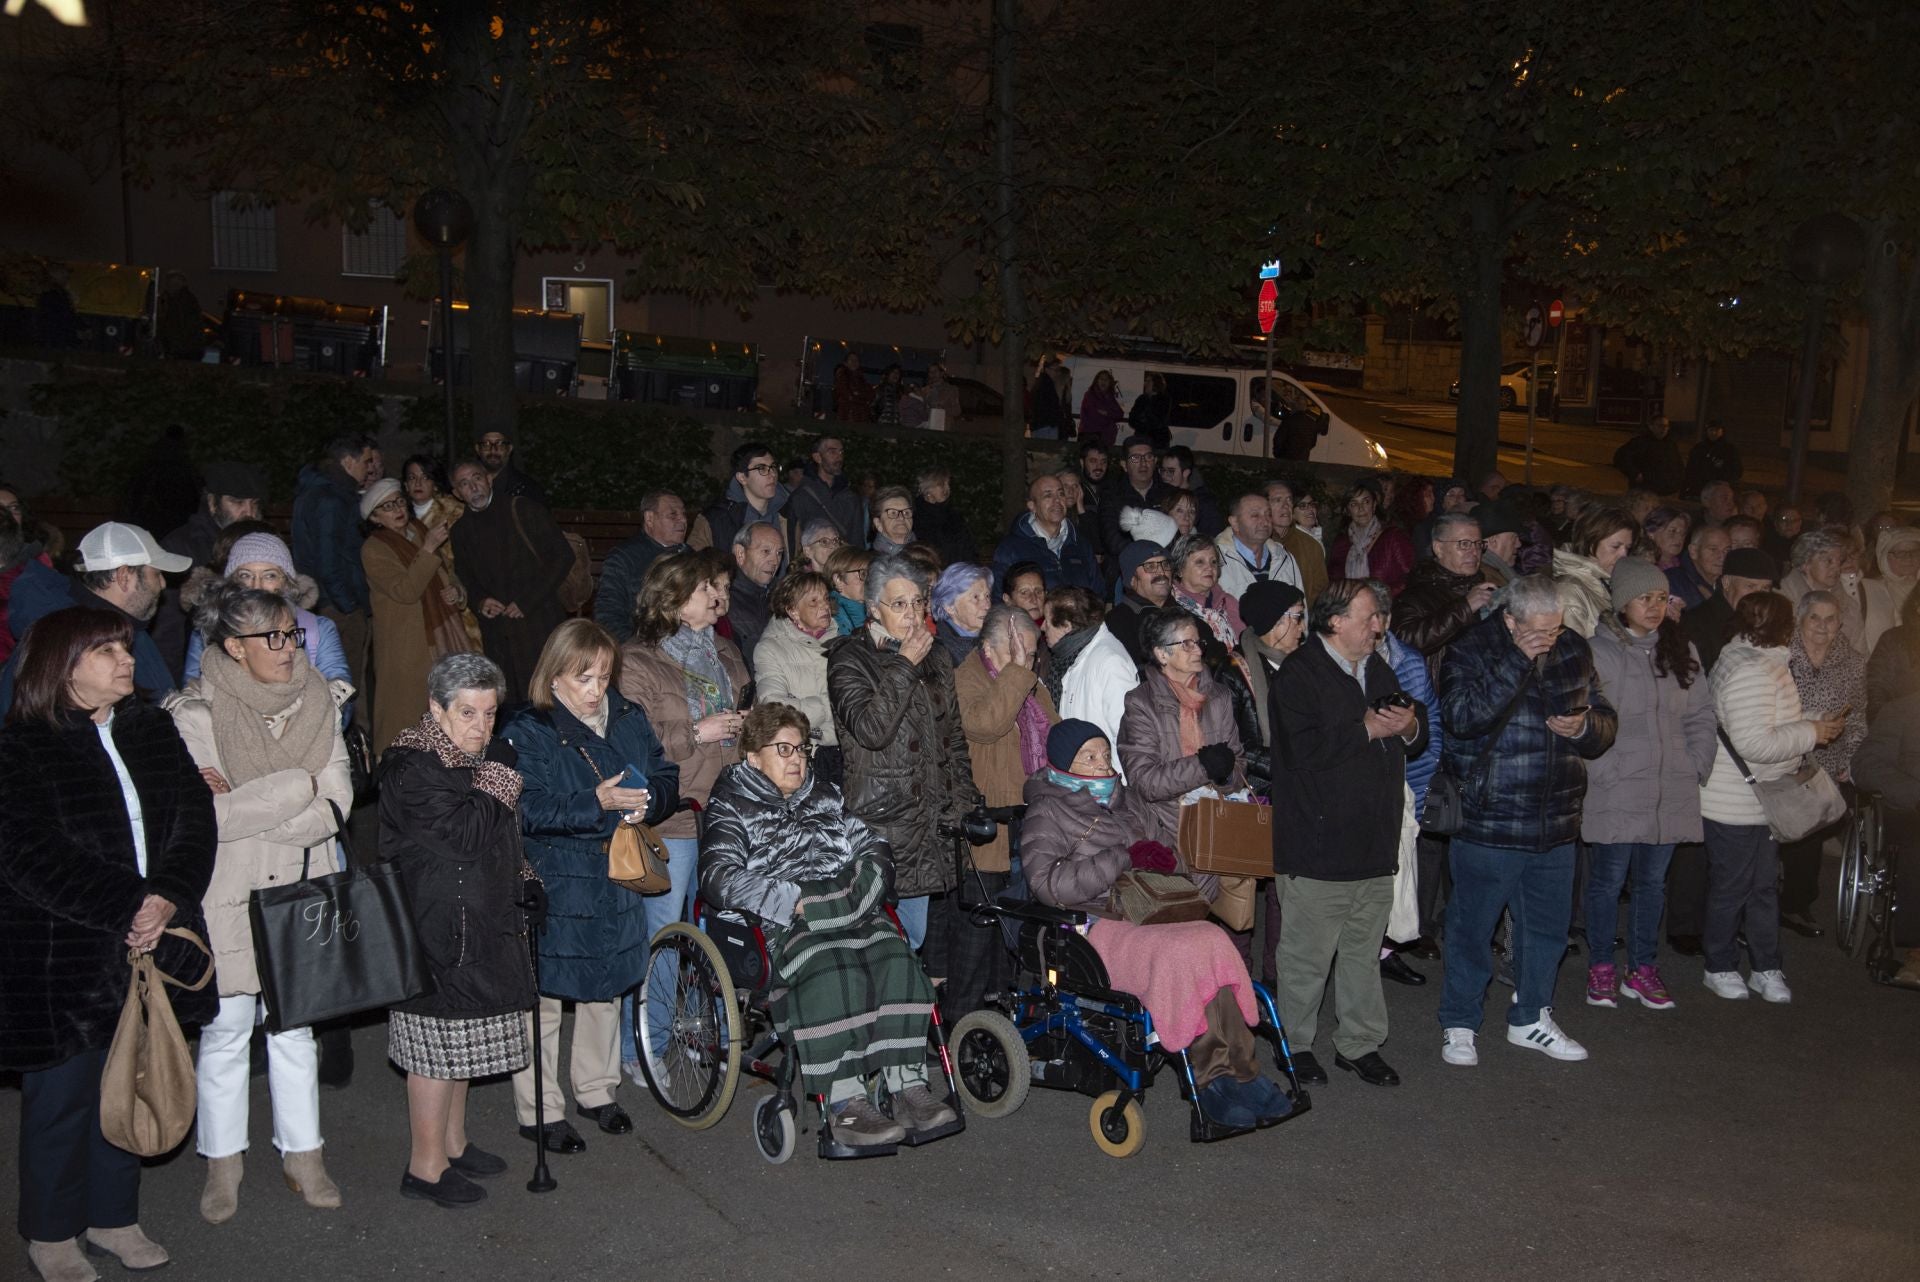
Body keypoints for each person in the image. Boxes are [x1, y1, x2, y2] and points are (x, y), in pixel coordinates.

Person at [0, 608, 216, 1279]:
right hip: (60, 954)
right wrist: (129, 903)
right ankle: (51, 1232)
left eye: (125, 646)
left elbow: (193, 820)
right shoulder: (22, 746)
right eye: (106, 651)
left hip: (147, 943)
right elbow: (27, 854)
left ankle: (115, 1217)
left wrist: (166, 895)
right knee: (63, 1097)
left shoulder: (152, 728)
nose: (126, 659)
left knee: (134, 1078)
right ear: (62, 664)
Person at [166, 584, 351, 1222]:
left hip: (301, 883)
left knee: (296, 1028)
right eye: (271, 638)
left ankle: (305, 1154)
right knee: (225, 1031)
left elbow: (337, 802)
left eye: (291, 634)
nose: (287, 647)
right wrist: (297, 786)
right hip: (230, 891)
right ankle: (223, 1163)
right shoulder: (193, 715)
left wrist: (274, 802)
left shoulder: (320, 698)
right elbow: (207, 817)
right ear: (231, 648)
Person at [700, 701, 958, 1144]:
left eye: (801, 749)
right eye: (783, 749)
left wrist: (868, 878)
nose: (796, 758)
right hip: (782, 920)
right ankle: (846, 1102)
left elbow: (869, 842)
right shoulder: (731, 805)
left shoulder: (825, 796)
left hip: (847, 905)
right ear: (751, 755)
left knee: (896, 956)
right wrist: (790, 899)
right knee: (832, 966)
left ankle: (907, 1086)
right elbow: (717, 878)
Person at [1022, 722, 1292, 1128]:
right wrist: (1121, 858)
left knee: (1212, 940)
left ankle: (1242, 1069)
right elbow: (1048, 886)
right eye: (1089, 758)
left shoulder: (1126, 800)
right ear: (1062, 763)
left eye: (1104, 755)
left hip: (1149, 910)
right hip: (1093, 922)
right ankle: (1209, 1080)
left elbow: (1168, 853)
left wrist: (1166, 860)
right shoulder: (1047, 808)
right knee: (1178, 954)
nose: (1101, 765)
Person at [502, 621, 678, 1155]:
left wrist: (651, 802)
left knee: (606, 984)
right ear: (554, 677)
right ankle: (540, 1110)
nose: (597, 688)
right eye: (585, 677)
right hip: (558, 876)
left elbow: (666, 772)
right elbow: (522, 807)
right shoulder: (529, 730)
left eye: (604, 675)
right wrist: (593, 803)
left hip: (618, 871)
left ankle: (596, 1092)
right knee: (545, 995)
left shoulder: (627, 716)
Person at [1436, 575, 1618, 1068]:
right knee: (1472, 927)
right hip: (1490, 816)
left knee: (1547, 930)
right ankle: (1459, 1022)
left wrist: (1585, 727)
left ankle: (1532, 1016)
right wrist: (1517, 659)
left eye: (1556, 629)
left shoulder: (1573, 646)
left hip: (1557, 817)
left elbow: (1604, 720)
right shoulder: (1470, 648)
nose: (1549, 639)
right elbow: (1460, 717)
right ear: (1509, 618)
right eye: (1537, 630)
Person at [378, 652, 535, 1208]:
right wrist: (499, 779)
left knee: (460, 1042)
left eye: (490, 714)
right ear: (436, 710)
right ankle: (424, 1167)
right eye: (467, 713)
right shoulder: (411, 767)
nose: (482, 727)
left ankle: (454, 1143)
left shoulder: (479, 758)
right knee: (433, 1046)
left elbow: (495, 835)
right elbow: (464, 836)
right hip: (432, 929)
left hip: (474, 921)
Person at [1270, 580, 1426, 1086]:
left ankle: (1359, 1043)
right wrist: (1365, 730)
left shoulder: (1376, 668)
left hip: (1373, 842)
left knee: (1362, 955)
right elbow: (1300, 751)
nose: (1379, 626)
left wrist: (1408, 728)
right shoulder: (1300, 674)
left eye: (1380, 616)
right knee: (1306, 958)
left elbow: (1411, 731)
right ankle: (1294, 1044)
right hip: (1319, 845)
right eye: (1368, 617)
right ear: (1335, 621)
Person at [1579, 559, 1716, 1012]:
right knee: (1607, 879)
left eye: (1661, 597)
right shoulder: (1595, 652)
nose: (1655, 607)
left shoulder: (1681, 648)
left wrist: (1694, 763)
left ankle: (1642, 968)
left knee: (1652, 883)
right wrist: (1601, 769)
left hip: (1669, 785)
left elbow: (1700, 715)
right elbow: (1583, 718)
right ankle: (1602, 964)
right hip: (1617, 785)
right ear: (1622, 603)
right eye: (1644, 598)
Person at [827, 552, 976, 958]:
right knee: (882, 948)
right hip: (880, 824)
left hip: (929, 823)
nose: (912, 615)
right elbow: (871, 731)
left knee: (912, 940)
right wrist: (905, 664)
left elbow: (954, 739)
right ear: (873, 608)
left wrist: (963, 804)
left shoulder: (938, 656)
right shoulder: (848, 659)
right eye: (898, 604)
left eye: (918, 602)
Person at [1698, 593, 1842, 1005]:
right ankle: (1720, 965)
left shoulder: (1755, 659)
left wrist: (1808, 721)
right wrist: (1813, 733)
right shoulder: (1754, 668)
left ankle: (1765, 966)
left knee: (1761, 886)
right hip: (1736, 801)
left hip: (1756, 799)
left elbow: (1765, 721)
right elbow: (1754, 742)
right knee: (1733, 887)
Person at [618, 551, 749, 946]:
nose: (715, 594)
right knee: (664, 933)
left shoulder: (725, 651)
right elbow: (633, 743)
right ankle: (651, 1012)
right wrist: (696, 732)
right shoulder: (637, 661)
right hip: (674, 818)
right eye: (704, 587)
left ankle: (701, 1009)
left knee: (715, 934)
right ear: (673, 600)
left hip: (725, 811)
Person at [953, 605, 1056, 1000]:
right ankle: (963, 1019)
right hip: (988, 827)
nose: (1029, 662)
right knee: (979, 933)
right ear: (991, 648)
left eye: (1032, 654)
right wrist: (1016, 671)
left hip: (1029, 820)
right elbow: (986, 725)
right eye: (1021, 652)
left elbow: (1056, 732)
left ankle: (1004, 1017)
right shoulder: (966, 679)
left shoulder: (1028, 682)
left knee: (1018, 932)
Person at [0, 521, 188, 716]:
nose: (163, 584)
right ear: (124, 577)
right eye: (156, 574)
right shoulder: (62, 641)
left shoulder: (128, 630)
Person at [1116, 606, 1242, 862]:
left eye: (1198, 642)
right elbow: (1145, 782)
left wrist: (1225, 775)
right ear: (1162, 653)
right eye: (1186, 644)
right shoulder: (1141, 703)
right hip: (1167, 832)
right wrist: (1202, 766)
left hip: (1220, 827)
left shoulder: (1219, 697)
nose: (1198, 650)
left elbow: (1238, 764)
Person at [1778, 590, 1867, 937]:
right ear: (1800, 619)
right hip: (1781, 755)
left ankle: (1795, 904)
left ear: (1840, 624)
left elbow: (1857, 715)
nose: (1822, 625)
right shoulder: (1780, 654)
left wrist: (1850, 756)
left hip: (1825, 764)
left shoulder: (1853, 663)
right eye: (1814, 617)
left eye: (1830, 619)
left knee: (1808, 840)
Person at [358, 479, 470, 753]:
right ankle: (398, 777)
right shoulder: (375, 548)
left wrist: (456, 591)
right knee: (406, 716)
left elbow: (446, 572)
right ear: (375, 517)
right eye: (387, 506)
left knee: (450, 710)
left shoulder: (418, 530)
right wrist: (428, 549)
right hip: (406, 645)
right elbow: (406, 590)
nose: (397, 509)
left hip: (441, 636)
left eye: (398, 502)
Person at [447, 459, 573, 700]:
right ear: (457, 493)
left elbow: (562, 556)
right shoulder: (460, 530)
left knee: (550, 696)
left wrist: (527, 601)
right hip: (498, 635)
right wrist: (481, 601)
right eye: (464, 483)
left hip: (539, 623)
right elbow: (466, 575)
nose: (473, 487)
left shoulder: (523, 509)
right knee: (511, 704)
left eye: (476, 478)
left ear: (489, 479)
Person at [180, 529, 351, 693]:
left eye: (269, 576)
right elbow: (193, 690)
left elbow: (340, 693)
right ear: (231, 582)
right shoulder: (210, 629)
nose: (257, 586)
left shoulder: (317, 629)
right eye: (245, 575)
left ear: (287, 582)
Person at [292, 435, 377, 723]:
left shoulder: (323, 492)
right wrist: (349, 605)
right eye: (367, 461)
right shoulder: (331, 499)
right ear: (348, 461)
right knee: (344, 685)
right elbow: (329, 560)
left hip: (327, 602)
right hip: (337, 607)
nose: (371, 468)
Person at [155, 461, 267, 678]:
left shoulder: (264, 545)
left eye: (255, 503)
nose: (249, 513)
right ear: (212, 503)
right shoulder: (181, 548)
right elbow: (168, 633)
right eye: (237, 502)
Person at [753, 571, 842, 784]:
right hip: (806, 757)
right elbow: (776, 711)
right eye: (813, 601)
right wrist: (828, 706)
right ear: (793, 610)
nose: (824, 606)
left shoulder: (843, 642)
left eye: (825, 599)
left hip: (847, 753)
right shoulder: (770, 649)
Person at [1392, 513, 1498, 678]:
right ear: (1439, 548)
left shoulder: (1482, 585)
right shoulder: (1415, 595)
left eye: (1478, 544)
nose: (1474, 552)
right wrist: (1464, 608)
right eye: (1464, 544)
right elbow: (1402, 643)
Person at [1046, 586, 1136, 750]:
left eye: (1047, 621)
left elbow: (1130, 738)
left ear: (1066, 626)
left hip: (1105, 772)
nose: (1042, 627)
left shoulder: (1110, 662)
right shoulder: (1069, 658)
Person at [593, 492, 690, 643]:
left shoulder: (690, 556)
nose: (683, 520)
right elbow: (608, 614)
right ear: (649, 519)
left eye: (684, 513)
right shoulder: (624, 558)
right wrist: (638, 649)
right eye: (673, 515)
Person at [992, 472, 1103, 595]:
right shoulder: (1011, 549)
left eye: (1061, 494)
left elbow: (1098, 593)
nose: (1057, 500)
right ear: (1032, 505)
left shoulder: (1081, 545)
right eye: (1048, 496)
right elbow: (999, 599)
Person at [1683, 546, 1777, 675]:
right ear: (1726, 582)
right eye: (1750, 586)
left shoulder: (1765, 623)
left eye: (1765, 589)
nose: (1758, 596)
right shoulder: (1696, 624)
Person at [688, 443, 791, 558]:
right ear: (742, 478)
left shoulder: (788, 512)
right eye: (762, 468)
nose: (772, 474)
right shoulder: (716, 519)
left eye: (773, 467)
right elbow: (693, 566)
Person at [1552, 506, 1640, 639]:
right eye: (1616, 546)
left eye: (1627, 548)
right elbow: (1573, 653)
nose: (1623, 554)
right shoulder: (1569, 592)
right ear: (1591, 542)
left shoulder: (1609, 582)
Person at [1781, 529, 1866, 657]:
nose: (1836, 568)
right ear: (1805, 563)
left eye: (1839, 561)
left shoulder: (1849, 606)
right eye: (1828, 561)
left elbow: (1861, 656)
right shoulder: (1781, 601)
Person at [1329, 479, 1414, 594]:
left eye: (1366, 502)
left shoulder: (1393, 537)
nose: (1361, 508)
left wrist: (1379, 597)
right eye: (1354, 504)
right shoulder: (1341, 543)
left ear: (1374, 505)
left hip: (1386, 609)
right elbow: (1334, 583)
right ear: (1348, 511)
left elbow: (1410, 578)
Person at [1214, 492, 1303, 600]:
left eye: (1268, 515)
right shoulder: (1215, 560)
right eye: (1255, 515)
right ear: (1235, 522)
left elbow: (1301, 607)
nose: (1265, 521)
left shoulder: (1284, 557)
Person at [1100, 436, 1173, 562]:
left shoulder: (1170, 494)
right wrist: (1148, 554)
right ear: (1124, 465)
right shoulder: (1112, 496)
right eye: (1135, 458)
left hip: (1166, 563)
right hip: (1125, 566)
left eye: (1148, 457)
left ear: (1155, 461)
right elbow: (1112, 540)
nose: (1143, 463)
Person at [785, 435, 865, 550]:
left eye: (841, 452)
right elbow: (793, 540)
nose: (839, 457)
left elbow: (857, 539)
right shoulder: (802, 496)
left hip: (843, 564)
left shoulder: (850, 496)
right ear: (817, 457)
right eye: (832, 452)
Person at [1104, 540, 1173, 665]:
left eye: (1166, 564)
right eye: (1150, 567)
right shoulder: (1117, 623)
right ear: (1131, 579)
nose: (1162, 572)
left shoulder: (1184, 614)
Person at [1168, 533, 1242, 647]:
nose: (1209, 568)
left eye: (1213, 562)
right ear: (1180, 570)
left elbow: (1246, 642)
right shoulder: (1172, 605)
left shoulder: (1227, 601)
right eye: (1200, 562)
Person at [725, 523, 783, 666]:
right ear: (740, 554)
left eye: (779, 553)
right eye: (765, 551)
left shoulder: (785, 594)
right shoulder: (724, 599)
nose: (775, 561)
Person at [1267, 478, 1329, 604]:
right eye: (1278, 500)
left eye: (1289, 500)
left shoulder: (1311, 545)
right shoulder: (1255, 541)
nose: (1285, 506)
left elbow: (1320, 593)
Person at [1864, 527, 1920, 655]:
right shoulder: (1873, 589)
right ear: (1885, 557)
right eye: (1900, 553)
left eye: (1914, 552)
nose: (1908, 558)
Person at [913, 467, 976, 569]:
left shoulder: (955, 516)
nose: (947, 488)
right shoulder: (917, 519)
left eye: (948, 484)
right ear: (927, 489)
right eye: (941, 484)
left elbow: (968, 548)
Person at [931, 561, 993, 663]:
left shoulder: (997, 636)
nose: (987, 605)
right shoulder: (939, 655)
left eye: (987, 596)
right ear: (949, 606)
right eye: (975, 597)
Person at [1157, 446, 1224, 538]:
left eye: (1170, 471)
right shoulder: (1160, 493)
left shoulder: (1204, 502)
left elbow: (1213, 537)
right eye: (1163, 470)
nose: (1165, 476)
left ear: (1186, 473)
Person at [1613, 416, 1684, 495]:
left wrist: (1677, 481)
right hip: (1645, 489)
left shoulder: (1670, 445)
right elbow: (1621, 457)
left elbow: (1677, 464)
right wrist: (1635, 474)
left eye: (1666, 426)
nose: (1664, 429)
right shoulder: (1640, 442)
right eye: (1660, 426)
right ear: (1651, 426)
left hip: (1666, 490)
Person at [1668, 524, 1732, 612]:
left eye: (1727, 550)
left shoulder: (1730, 582)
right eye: (1713, 549)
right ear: (1694, 551)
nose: (1722, 557)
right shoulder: (1673, 583)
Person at [474, 428, 542, 504]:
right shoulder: (467, 488)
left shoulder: (528, 489)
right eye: (486, 444)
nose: (493, 450)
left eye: (500, 444)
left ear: (509, 449)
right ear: (478, 449)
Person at [1683, 420, 1743, 497]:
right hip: (1700, 488)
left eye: (1717, 430)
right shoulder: (1699, 448)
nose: (1713, 433)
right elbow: (1691, 468)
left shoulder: (1729, 449)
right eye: (1711, 430)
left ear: (1722, 431)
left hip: (1720, 488)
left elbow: (1737, 470)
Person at [826, 546, 872, 636]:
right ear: (839, 580)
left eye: (871, 573)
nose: (869, 580)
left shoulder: (874, 609)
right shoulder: (832, 621)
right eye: (863, 573)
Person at [1078, 368, 1125, 446]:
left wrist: (1107, 413)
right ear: (1097, 381)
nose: (1103, 381)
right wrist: (1110, 418)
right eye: (1101, 379)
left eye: (1106, 379)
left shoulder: (1110, 397)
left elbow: (1120, 414)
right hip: (1090, 435)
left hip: (1105, 437)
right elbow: (1094, 415)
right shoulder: (1090, 395)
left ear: (1110, 383)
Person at [1028, 358, 1070, 440]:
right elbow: (1050, 407)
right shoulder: (1047, 385)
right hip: (1046, 425)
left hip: (1042, 425)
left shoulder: (1042, 383)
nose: (1058, 373)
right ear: (1047, 369)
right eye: (1056, 370)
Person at [1127, 371, 1171, 449]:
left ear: (1156, 383)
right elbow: (1132, 419)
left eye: (1148, 381)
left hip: (1158, 441)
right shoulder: (1141, 399)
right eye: (1145, 381)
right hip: (1141, 439)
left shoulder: (1164, 399)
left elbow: (1160, 421)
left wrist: (1145, 417)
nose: (1145, 384)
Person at [1001, 561, 1048, 629]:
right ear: (1007, 599)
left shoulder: (1058, 631)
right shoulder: (1000, 633)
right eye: (1024, 593)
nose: (1034, 600)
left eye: (1038, 592)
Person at [1644, 506, 1692, 572]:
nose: (1679, 538)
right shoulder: (1643, 567)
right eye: (1672, 531)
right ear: (1651, 533)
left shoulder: (1687, 566)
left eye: (1683, 533)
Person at [833, 353, 873, 423]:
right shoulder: (842, 376)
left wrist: (858, 395)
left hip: (860, 416)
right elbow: (846, 394)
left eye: (856, 360)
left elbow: (870, 394)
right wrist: (860, 397)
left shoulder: (861, 379)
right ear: (845, 363)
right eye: (851, 360)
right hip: (847, 415)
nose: (854, 362)